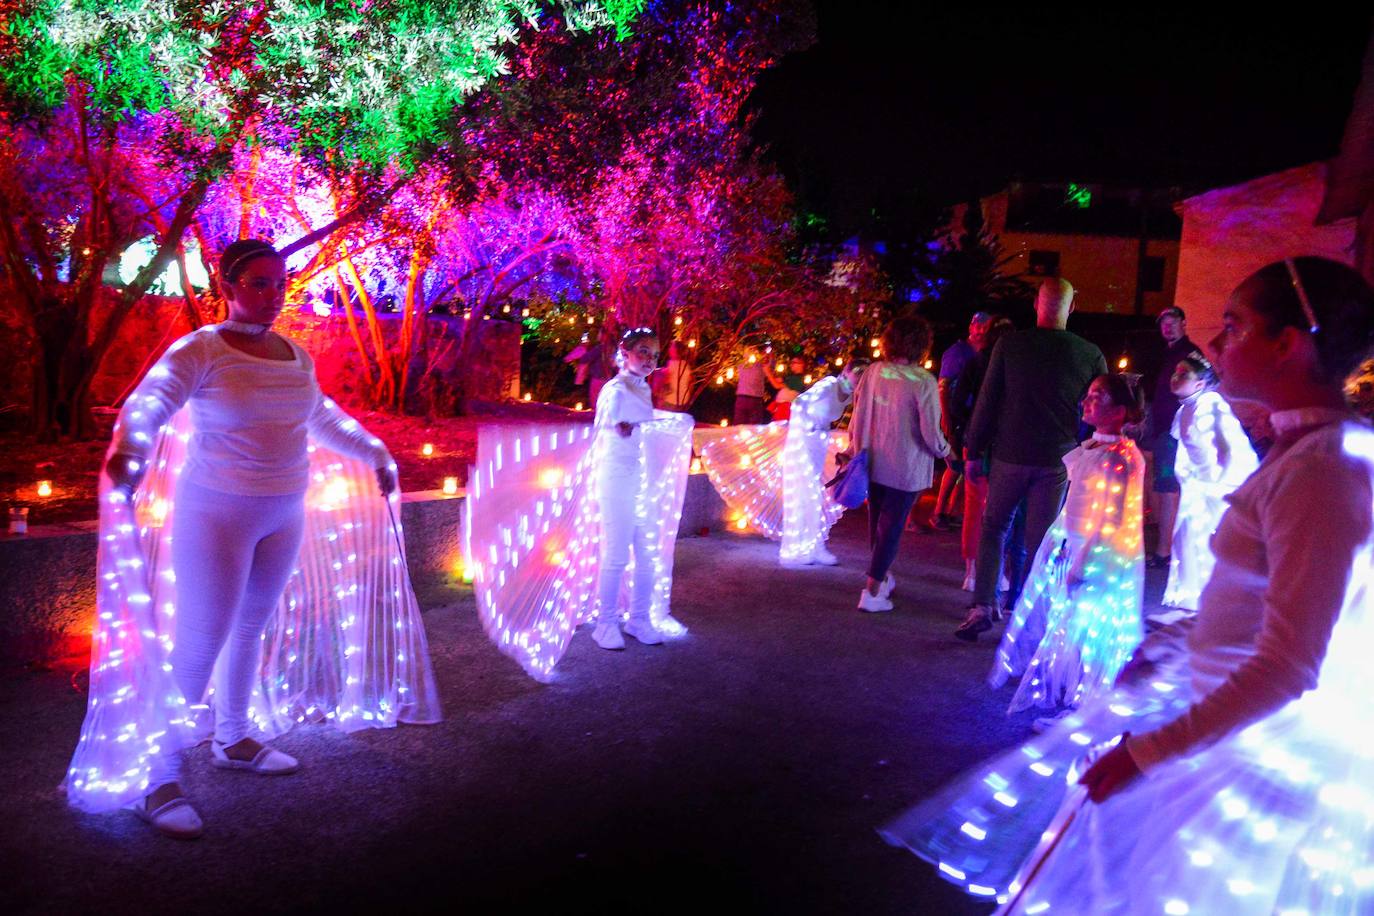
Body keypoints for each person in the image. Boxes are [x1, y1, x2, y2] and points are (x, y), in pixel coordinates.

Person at [881, 257, 1374, 912]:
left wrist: (1150, 752)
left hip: (1243, 760)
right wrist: (1174, 640)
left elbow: (1288, 665)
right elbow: (1265, 595)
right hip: (1217, 725)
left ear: (1287, 345)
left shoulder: (1323, 466)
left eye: (1233, 326)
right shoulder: (1305, 449)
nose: (1215, 344)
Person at [67, 239, 440, 839]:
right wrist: (132, 451)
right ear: (229, 286)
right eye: (259, 283)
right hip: (215, 514)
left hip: (283, 511)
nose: (273, 294)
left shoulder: (294, 354)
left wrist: (374, 450)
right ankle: (155, 776)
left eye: (280, 282)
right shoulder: (201, 349)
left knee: (250, 628)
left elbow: (320, 417)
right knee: (199, 641)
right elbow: (150, 402)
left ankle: (232, 736)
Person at [957, 278, 1107, 639]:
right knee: (1042, 539)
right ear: (1072, 307)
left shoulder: (1010, 345)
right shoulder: (1089, 354)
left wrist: (974, 449)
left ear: (1036, 304)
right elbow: (1100, 407)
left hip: (1010, 453)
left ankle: (982, 606)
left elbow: (988, 401)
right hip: (1057, 458)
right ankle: (1033, 616)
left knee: (995, 528)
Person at [989, 374, 1146, 717]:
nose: (1086, 402)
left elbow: (1110, 520)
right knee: (1068, 622)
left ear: (1119, 411)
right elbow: (1076, 502)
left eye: (1098, 397)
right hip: (1074, 544)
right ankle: (1071, 694)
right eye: (1088, 394)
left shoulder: (1118, 457)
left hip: (1097, 555)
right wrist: (1062, 541)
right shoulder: (1094, 448)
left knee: (1086, 630)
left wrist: (1083, 563)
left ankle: (1084, 707)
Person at [591, 328, 687, 650]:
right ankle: (605, 624)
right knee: (617, 554)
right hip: (616, 478)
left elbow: (645, 427)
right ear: (626, 351)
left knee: (648, 554)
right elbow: (622, 428)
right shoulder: (615, 390)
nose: (649, 360)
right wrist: (662, 424)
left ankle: (639, 618)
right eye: (643, 351)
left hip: (640, 478)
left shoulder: (642, 389)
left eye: (655, 355)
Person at [846, 317, 950, 612]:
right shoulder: (923, 381)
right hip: (905, 467)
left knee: (877, 524)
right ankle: (872, 591)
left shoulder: (874, 372)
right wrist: (945, 450)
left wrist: (854, 448)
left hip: (873, 460)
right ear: (921, 345)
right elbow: (931, 431)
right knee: (890, 529)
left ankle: (881, 577)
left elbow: (858, 413)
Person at [1161, 354, 1258, 613]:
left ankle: (1218, 603)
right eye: (1175, 372)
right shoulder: (1185, 409)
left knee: (1209, 542)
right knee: (1186, 539)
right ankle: (1193, 600)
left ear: (1200, 384)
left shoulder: (1211, 405)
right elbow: (1186, 447)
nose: (1175, 377)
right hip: (1196, 488)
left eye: (1183, 374)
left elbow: (1225, 449)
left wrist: (1213, 481)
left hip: (1219, 490)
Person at [779, 358, 869, 566]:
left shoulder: (850, 396)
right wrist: (809, 427)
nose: (860, 377)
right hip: (804, 442)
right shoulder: (829, 384)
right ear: (847, 371)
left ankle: (814, 545)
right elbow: (799, 403)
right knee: (805, 494)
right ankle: (800, 547)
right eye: (858, 372)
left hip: (819, 444)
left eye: (864, 374)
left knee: (814, 495)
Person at [951, 316, 1013, 591]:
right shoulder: (1014, 366)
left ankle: (971, 572)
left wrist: (965, 427)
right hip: (1004, 444)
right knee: (1001, 510)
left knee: (974, 508)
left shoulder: (976, 362)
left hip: (975, 441)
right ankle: (996, 572)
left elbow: (957, 401)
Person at [1145, 306, 1199, 570]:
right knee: (1161, 485)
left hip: (1174, 432)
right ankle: (1166, 549)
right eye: (1163, 322)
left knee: (1167, 487)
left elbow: (1209, 382)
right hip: (1163, 430)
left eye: (1173, 320)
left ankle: (1164, 552)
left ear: (1184, 323)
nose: (1167, 326)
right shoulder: (1169, 355)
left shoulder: (1189, 354)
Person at [930, 312, 994, 530]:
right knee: (956, 464)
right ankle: (939, 512)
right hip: (957, 416)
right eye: (977, 324)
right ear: (971, 326)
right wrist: (946, 417)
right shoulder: (958, 352)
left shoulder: (986, 353)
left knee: (967, 465)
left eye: (985, 325)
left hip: (972, 416)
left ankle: (951, 511)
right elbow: (943, 385)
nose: (981, 329)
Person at [652, 339, 694, 412]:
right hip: (682, 401)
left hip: (671, 401)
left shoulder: (672, 364)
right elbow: (690, 382)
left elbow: (666, 381)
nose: (669, 349)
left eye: (671, 347)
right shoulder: (686, 365)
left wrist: (657, 393)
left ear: (676, 351)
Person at [733, 353, 772, 425]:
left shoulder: (743, 363)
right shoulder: (762, 365)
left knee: (740, 424)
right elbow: (771, 364)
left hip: (747, 397)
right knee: (752, 425)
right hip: (750, 398)